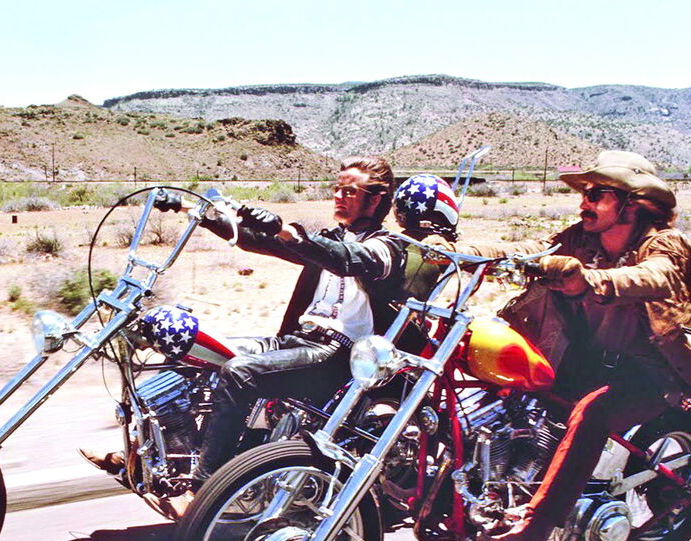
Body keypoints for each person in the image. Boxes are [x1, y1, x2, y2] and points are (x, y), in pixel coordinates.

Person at [81, 160, 462, 519]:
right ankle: (145, 457)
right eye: (336, 188)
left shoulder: (386, 247)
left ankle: (201, 494)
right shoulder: (331, 237)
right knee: (197, 353)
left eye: (349, 190)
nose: (338, 196)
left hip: (336, 353)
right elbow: (257, 241)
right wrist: (194, 211)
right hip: (298, 340)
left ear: (375, 199)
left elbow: (347, 259)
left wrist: (289, 231)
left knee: (239, 373)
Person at [431, 150, 691, 541]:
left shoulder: (662, 243)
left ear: (631, 203)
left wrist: (591, 279)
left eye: (597, 194)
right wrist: (459, 252)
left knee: (592, 413)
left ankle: (529, 537)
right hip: (579, 361)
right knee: (502, 379)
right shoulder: (581, 240)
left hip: (645, 372)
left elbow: (655, 276)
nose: (584, 202)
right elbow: (527, 249)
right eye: (585, 193)